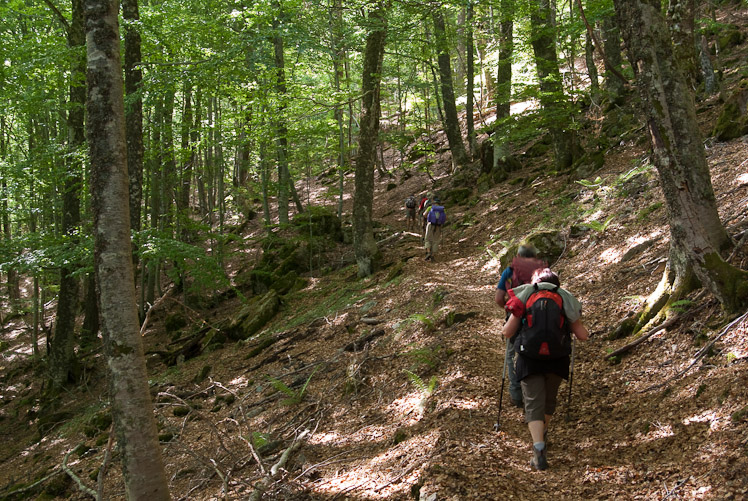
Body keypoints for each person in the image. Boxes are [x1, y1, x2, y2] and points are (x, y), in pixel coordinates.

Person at [502, 268, 589, 471]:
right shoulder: (564, 298)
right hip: (557, 358)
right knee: (548, 401)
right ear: (556, 282)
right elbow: (582, 335)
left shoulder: (526, 294)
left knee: (532, 403)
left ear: (535, 281)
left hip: (528, 357)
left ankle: (538, 448)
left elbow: (507, 333)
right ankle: (543, 432)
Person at [494, 245, 547, 408]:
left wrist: (510, 307)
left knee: (511, 355)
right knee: (535, 353)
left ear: (518, 256)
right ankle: (534, 393)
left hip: (515, 317)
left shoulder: (509, 272)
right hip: (539, 318)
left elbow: (498, 298)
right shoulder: (544, 272)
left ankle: (516, 394)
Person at [423, 197, 446, 261]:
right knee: (435, 240)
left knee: (427, 239)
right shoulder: (443, 209)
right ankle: (432, 255)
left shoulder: (430, 208)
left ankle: (428, 252)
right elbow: (444, 218)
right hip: (438, 226)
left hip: (430, 224)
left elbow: (424, 215)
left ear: (434, 203)